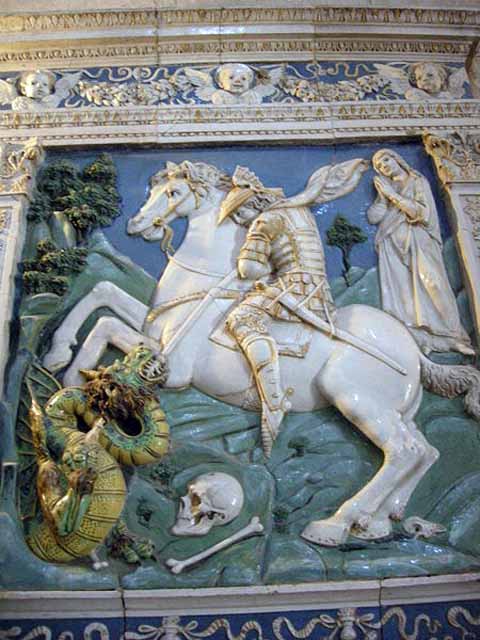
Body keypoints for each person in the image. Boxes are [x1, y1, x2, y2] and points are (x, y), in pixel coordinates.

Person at [368, 148, 473, 355]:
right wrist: (382, 197)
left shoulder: (417, 181)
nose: (384, 166)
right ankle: (418, 340)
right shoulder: (387, 188)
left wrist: (392, 196)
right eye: (379, 166)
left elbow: (421, 213)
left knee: (433, 284)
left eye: (386, 160)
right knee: (403, 294)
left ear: (397, 159)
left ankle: (454, 337)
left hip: (419, 240)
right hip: (391, 243)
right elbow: (373, 217)